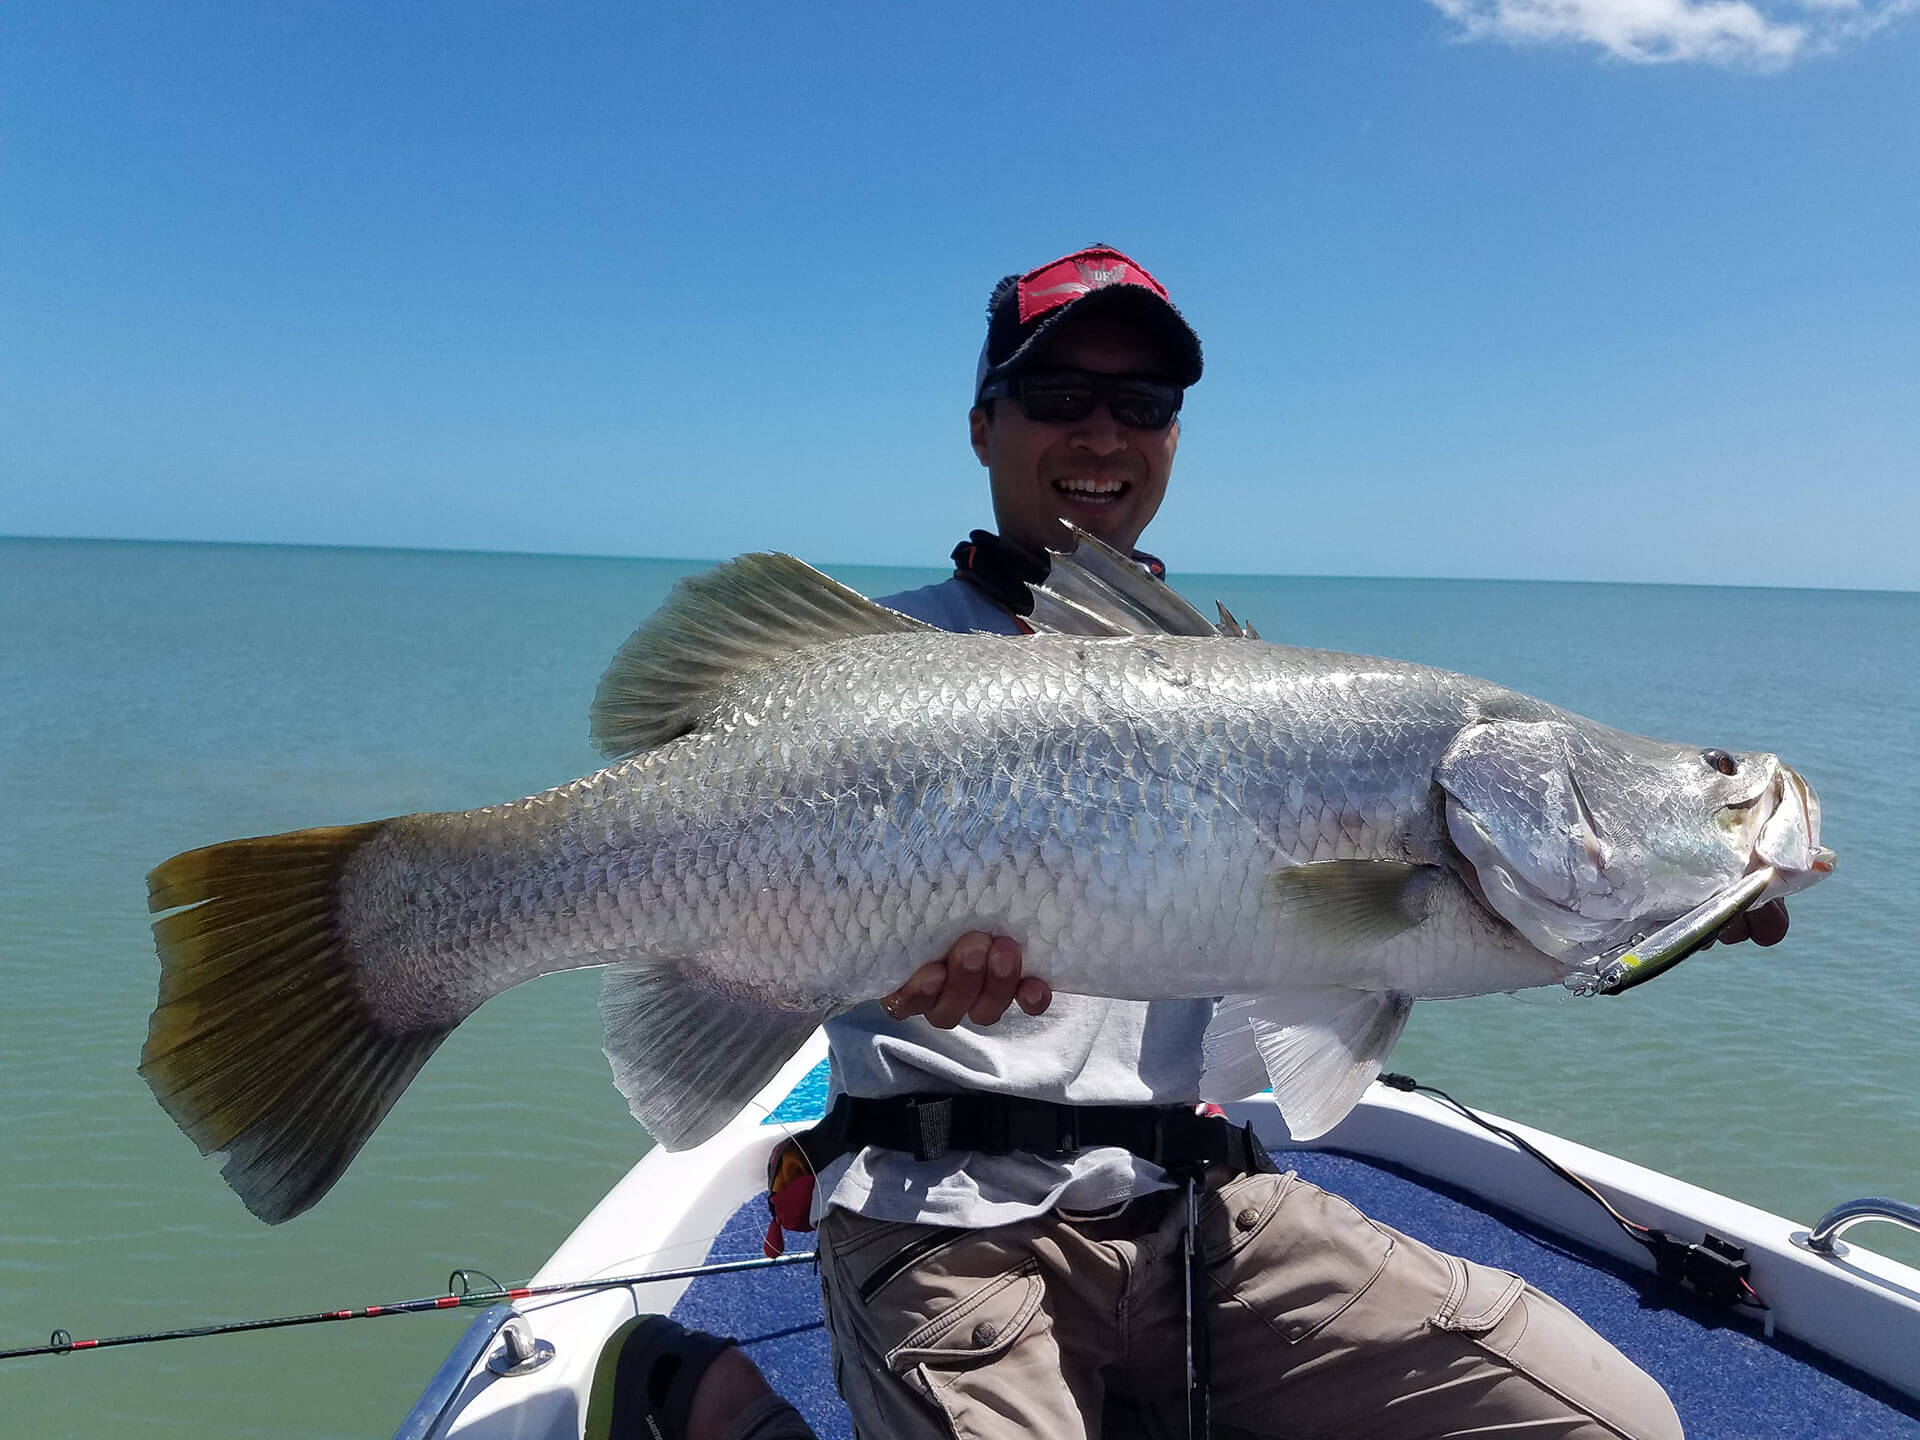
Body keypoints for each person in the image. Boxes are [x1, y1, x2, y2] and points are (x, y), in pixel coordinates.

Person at [590, 244, 1791, 1440]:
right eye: (1060, 397)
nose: (1106, 434)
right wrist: (865, 973)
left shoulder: (1252, 691)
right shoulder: (867, 671)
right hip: (947, 1223)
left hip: (1204, 1213)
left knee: (1621, 1426)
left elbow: (1359, 970)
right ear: (981, 425)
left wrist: (1667, 899)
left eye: (1145, 404)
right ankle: (721, 1412)